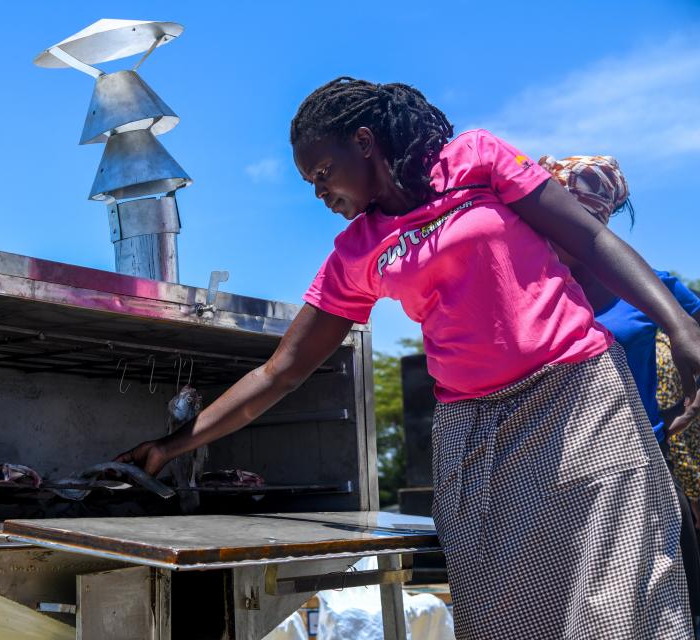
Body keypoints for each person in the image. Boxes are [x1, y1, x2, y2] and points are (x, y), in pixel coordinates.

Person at [117, 78, 700, 638]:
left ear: (365, 143)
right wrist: (171, 446)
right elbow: (282, 370)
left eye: (323, 173)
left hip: (577, 400)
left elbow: (591, 240)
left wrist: (680, 327)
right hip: (474, 434)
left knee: (617, 602)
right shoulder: (356, 251)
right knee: (502, 617)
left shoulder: (475, 159)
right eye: (310, 184)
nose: (320, 194)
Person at [539, 154, 700, 635]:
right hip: (554, 478)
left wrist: (690, 404)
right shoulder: (533, 289)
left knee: (668, 613)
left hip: (643, 475)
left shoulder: (648, 289)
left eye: (581, 220)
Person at [658, 329, 700, 526]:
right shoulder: (668, 347)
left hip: (686, 480)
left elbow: (675, 436)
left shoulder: (660, 357)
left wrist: (695, 492)